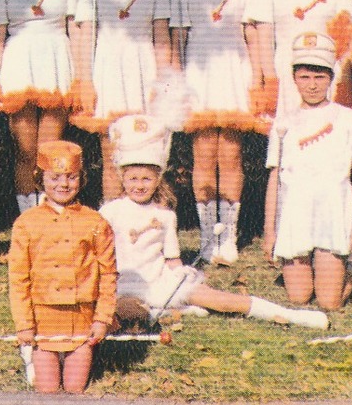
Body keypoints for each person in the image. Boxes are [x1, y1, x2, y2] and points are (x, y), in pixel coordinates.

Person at [101, 115, 327, 329]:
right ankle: (162, 312)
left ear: (158, 179)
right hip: (124, 286)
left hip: (161, 281)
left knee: (219, 299)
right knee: (127, 310)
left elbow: (172, 258)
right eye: (133, 179)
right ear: (122, 178)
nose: (139, 186)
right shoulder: (110, 211)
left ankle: (290, 315)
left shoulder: (166, 215)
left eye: (146, 179)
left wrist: (180, 272)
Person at [172, 0, 263, 265]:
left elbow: (253, 37)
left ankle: (230, 238)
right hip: (199, 75)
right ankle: (208, 237)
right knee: (202, 156)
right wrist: (177, 85)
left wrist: (259, 79)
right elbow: (177, 42)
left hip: (234, 74)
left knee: (232, 156)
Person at [72, 0, 175, 199]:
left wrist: (162, 82)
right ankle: (113, 222)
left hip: (142, 72)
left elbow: (161, 40)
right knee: (112, 153)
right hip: (108, 73)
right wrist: (86, 82)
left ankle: (144, 221)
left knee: (145, 151)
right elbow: (86, 40)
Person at [263, 32, 352, 312]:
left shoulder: (349, 119)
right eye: (305, 77)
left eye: (320, 77)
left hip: (333, 212)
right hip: (295, 214)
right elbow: (274, 177)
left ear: (331, 77)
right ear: (294, 78)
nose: (312, 85)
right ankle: (306, 268)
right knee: (299, 298)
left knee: (329, 302)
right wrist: (270, 230)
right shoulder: (283, 122)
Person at [7, 140, 118, 394]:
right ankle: (33, 360)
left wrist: (102, 319)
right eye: (55, 177)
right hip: (43, 318)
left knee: (74, 388)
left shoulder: (96, 222)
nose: (63, 185)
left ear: (81, 178)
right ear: (40, 178)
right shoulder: (26, 223)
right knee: (47, 390)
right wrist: (24, 324)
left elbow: (108, 275)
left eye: (71, 177)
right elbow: (18, 278)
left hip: (82, 318)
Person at [0, 0, 80, 215]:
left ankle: (51, 214)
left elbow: (75, 30)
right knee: (25, 150)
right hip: (18, 63)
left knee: (51, 149)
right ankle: (27, 219)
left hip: (56, 60)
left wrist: (80, 76)